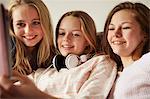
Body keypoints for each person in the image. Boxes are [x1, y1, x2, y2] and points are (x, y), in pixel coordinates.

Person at [0, 10, 117, 99]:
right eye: (61, 33)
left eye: (75, 34)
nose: (66, 39)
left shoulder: (101, 62)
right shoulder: (45, 72)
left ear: (88, 40)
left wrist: (37, 95)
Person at [101, 1, 150, 98]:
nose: (116, 33)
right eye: (111, 28)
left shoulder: (147, 62)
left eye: (125, 27)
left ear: (145, 33)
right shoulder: (109, 76)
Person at [8, 0, 55, 75]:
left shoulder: (56, 57)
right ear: (11, 26)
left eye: (35, 23)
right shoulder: (4, 55)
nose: (28, 31)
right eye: (20, 24)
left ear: (45, 24)